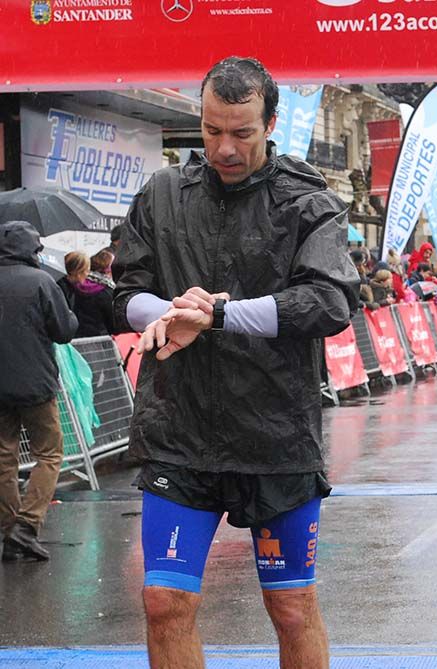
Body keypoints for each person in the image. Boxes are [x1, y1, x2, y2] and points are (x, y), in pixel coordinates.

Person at [113, 57, 359, 669]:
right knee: (164, 604)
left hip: (276, 437)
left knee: (292, 610)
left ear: (270, 123)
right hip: (180, 433)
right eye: (212, 129)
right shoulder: (164, 193)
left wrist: (221, 315)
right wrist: (166, 311)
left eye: (241, 133)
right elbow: (125, 292)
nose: (224, 147)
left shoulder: (307, 201)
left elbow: (330, 302)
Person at [0, 221, 79, 561]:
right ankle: (27, 525)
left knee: (4, 457)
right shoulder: (42, 281)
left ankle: (8, 527)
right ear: (31, 250)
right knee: (48, 453)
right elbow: (64, 331)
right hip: (36, 385)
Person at [58, 251, 114, 337]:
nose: (87, 274)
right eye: (86, 270)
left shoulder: (68, 287)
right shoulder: (63, 289)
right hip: (97, 337)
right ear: (78, 272)